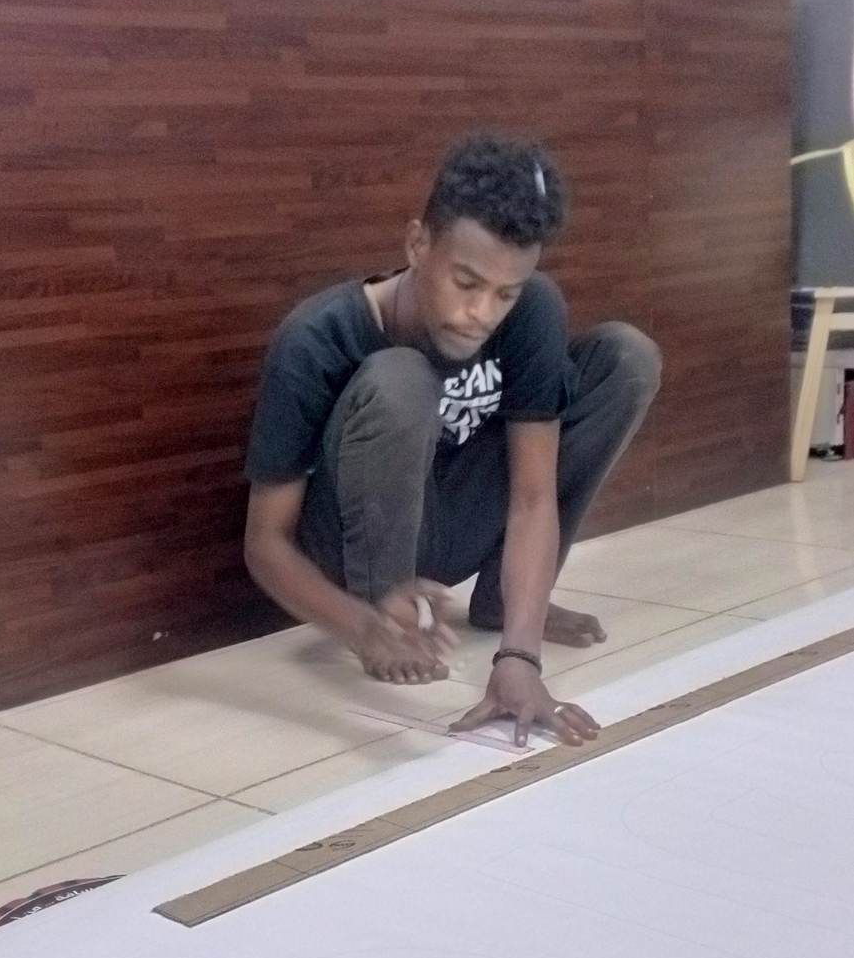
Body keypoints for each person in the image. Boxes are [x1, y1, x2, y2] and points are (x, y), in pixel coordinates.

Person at [244, 133, 661, 747]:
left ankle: (503, 602)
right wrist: (360, 626)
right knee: (400, 378)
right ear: (417, 244)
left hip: (453, 519)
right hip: (357, 548)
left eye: (505, 293)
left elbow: (533, 496)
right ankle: (395, 620)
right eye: (466, 282)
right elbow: (265, 544)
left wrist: (519, 656)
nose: (482, 313)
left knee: (627, 359)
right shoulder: (316, 338)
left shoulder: (530, 311)